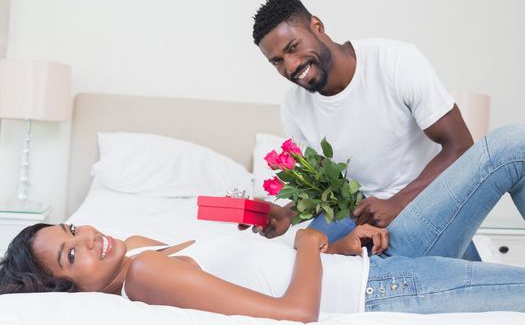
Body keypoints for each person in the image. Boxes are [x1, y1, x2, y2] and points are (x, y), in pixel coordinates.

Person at [1, 125, 525, 321]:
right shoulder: (142, 277)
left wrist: (333, 248)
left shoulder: (136, 250)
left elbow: (263, 270)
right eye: (74, 256)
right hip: (386, 288)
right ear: (70, 291)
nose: (89, 238)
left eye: (73, 231)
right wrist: (313, 238)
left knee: (507, 147)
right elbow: (295, 313)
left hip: (370, 254)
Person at [249, 0, 478, 259]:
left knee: (468, 286)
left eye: (292, 47)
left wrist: (396, 204)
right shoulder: (294, 107)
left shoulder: (396, 62)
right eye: (277, 61)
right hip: (358, 211)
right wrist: (288, 214)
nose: (290, 66)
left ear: (317, 26)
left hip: (425, 201)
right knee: (307, 258)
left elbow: (460, 146)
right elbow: (328, 185)